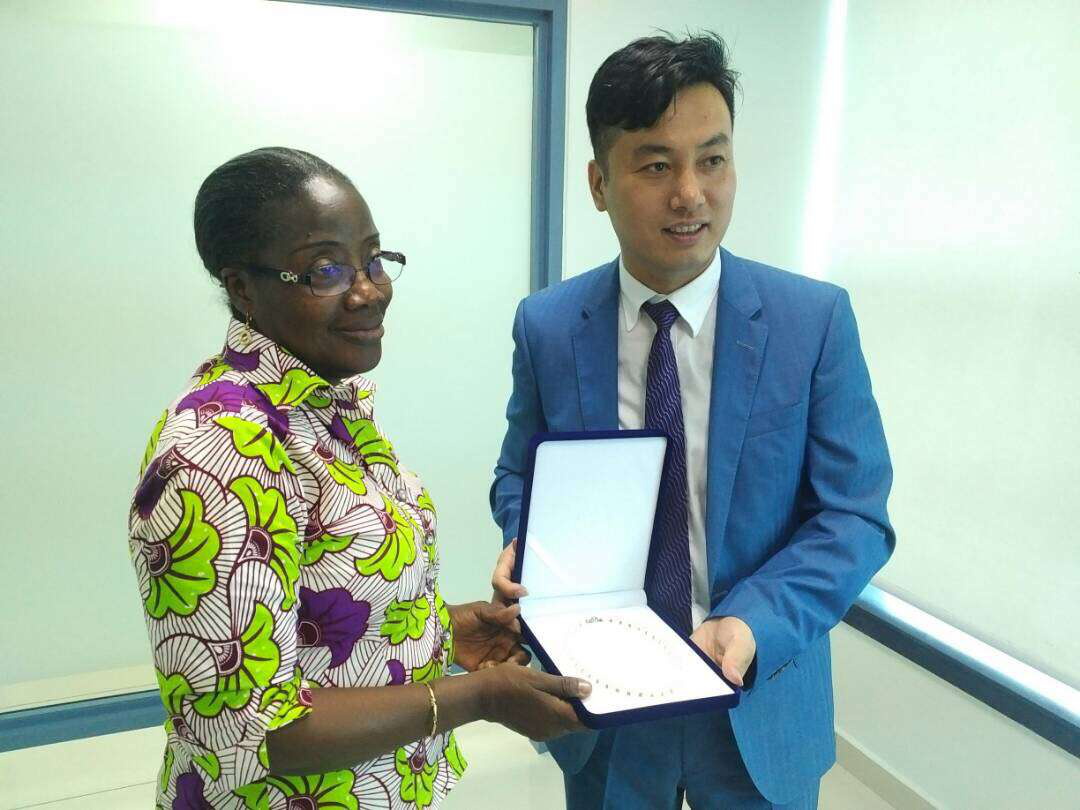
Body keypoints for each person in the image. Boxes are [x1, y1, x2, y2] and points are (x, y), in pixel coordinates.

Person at [490, 33, 894, 809]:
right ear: (599, 183)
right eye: (655, 166)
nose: (690, 194)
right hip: (601, 698)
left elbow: (854, 516)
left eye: (712, 160)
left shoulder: (811, 322)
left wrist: (754, 623)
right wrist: (523, 531)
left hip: (756, 688)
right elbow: (519, 469)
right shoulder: (548, 325)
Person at [128, 147, 589, 809]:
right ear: (243, 287)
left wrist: (436, 630)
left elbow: (313, 606)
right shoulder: (221, 452)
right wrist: (479, 696)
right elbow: (253, 731)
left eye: (373, 259)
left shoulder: (321, 406)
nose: (368, 289)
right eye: (326, 270)